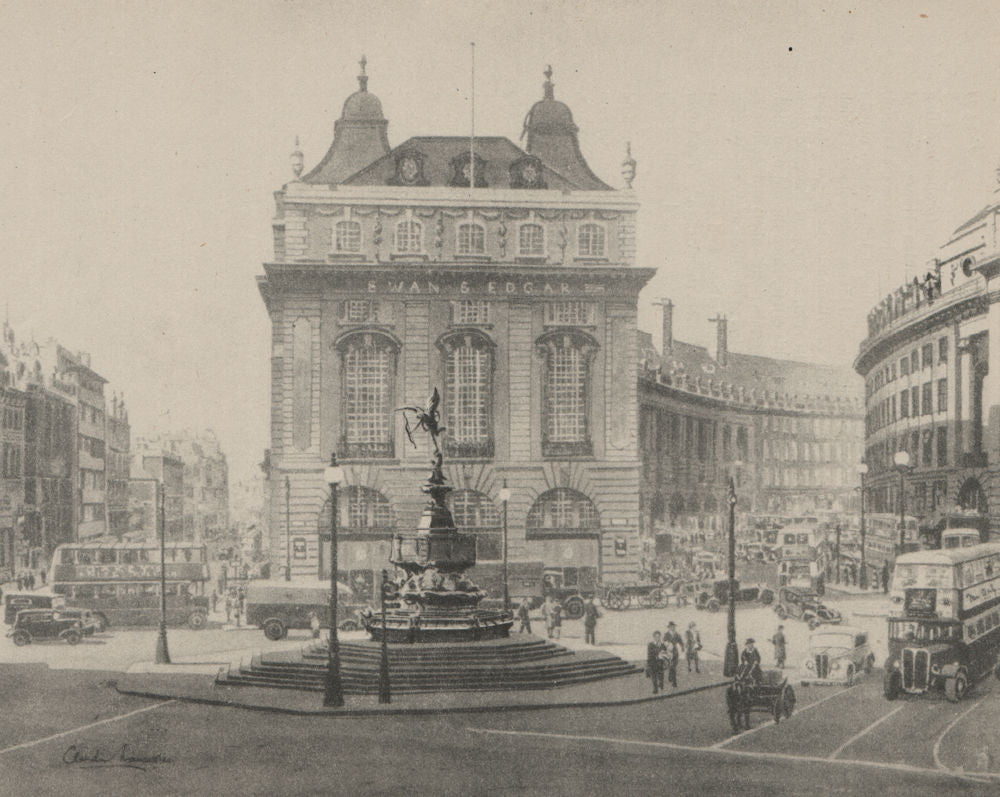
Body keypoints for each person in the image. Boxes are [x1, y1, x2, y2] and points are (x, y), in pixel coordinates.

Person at [662, 622, 683, 687]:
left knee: (674, 665)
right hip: (669, 652)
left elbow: (680, 641)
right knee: (672, 666)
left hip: (675, 652)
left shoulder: (677, 634)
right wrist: (665, 649)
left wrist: (682, 647)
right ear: (669, 627)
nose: (673, 628)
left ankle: (670, 675)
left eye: (674, 626)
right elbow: (664, 643)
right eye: (671, 627)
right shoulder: (666, 634)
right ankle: (674, 682)